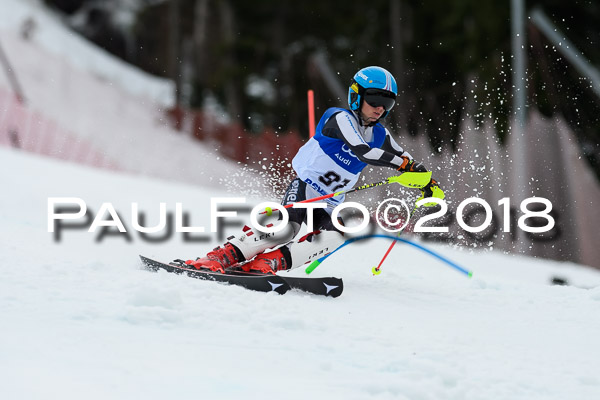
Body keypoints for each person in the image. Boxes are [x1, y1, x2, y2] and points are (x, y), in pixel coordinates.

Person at [186, 66, 441, 274]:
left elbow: (404, 157)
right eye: (374, 100)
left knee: (335, 237)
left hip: (331, 201)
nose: (380, 108)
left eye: (387, 103)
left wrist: (428, 182)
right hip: (307, 188)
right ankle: (220, 256)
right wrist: (404, 166)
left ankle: (267, 264)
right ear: (357, 95)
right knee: (287, 229)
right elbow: (364, 152)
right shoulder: (340, 118)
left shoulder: (380, 134)